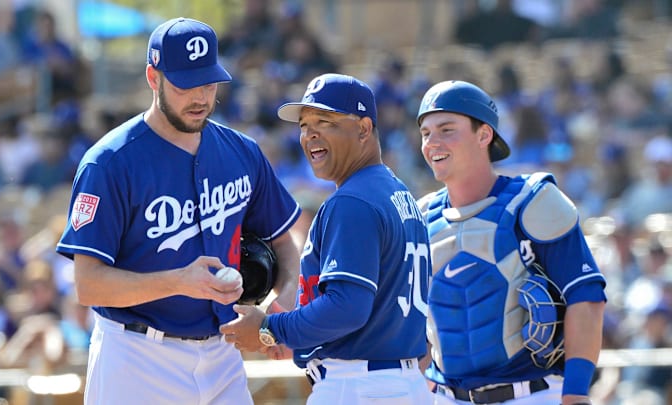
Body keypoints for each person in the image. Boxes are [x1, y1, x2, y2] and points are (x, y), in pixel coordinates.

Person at [55, 17, 301, 405]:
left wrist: (283, 304)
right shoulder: (109, 163)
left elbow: (286, 245)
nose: (201, 97)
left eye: (209, 82)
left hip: (223, 355)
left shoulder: (242, 152)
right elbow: (88, 284)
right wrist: (179, 281)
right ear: (154, 78)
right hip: (136, 357)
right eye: (186, 84)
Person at [220, 73, 433, 404]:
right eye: (304, 125)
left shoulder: (353, 201)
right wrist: (298, 335)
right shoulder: (397, 193)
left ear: (364, 129)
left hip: (359, 387)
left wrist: (270, 328)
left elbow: (348, 308)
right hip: (399, 383)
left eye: (325, 121)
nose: (310, 134)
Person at [414, 80, 607, 405]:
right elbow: (415, 318)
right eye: (425, 133)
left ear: (484, 135)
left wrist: (576, 393)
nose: (432, 142)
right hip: (447, 397)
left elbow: (586, 298)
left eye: (447, 129)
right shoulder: (420, 217)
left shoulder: (532, 201)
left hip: (531, 394)